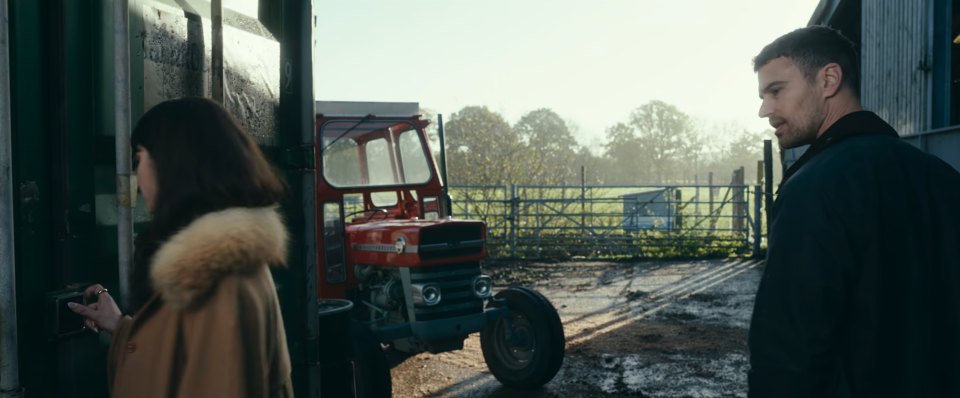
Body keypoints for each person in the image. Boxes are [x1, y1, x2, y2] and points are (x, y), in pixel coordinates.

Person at [749, 26, 960, 397]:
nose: (765, 109)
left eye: (776, 91)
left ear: (829, 79)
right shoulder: (942, 177)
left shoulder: (812, 189)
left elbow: (789, 351)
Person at [69, 97, 294, 397]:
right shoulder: (218, 269)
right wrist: (120, 326)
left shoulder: (220, 283)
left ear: (174, 163)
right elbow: (178, 359)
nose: (138, 180)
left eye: (140, 158)